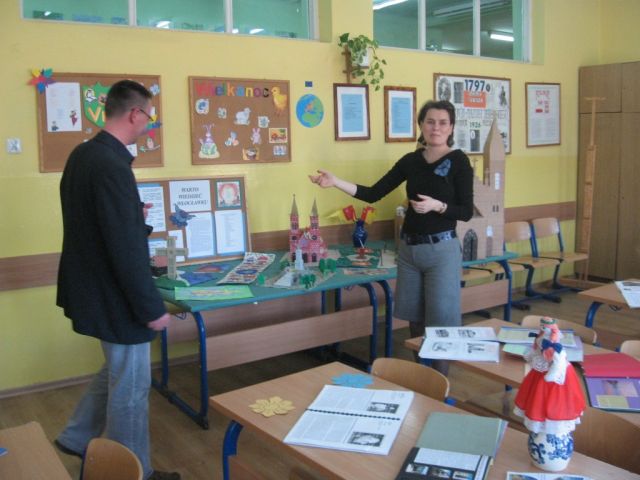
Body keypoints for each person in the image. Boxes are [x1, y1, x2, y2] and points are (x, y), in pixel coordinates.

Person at [55, 80, 180, 480]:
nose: (149, 123)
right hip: (116, 296)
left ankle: (77, 437)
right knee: (131, 389)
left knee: (118, 370)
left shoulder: (84, 154)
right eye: (149, 116)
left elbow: (98, 225)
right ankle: (135, 472)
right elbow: (124, 249)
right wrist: (151, 307)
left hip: (94, 289)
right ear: (135, 114)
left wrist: (130, 218)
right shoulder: (111, 165)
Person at [310, 100, 473, 375]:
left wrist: (438, 206)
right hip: (409, 252)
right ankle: (422, 376)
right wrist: (335, 181)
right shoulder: (411, 161)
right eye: (430, 121)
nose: (436, 127)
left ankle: (439, 383)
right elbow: (373, 193)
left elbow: (466, 211)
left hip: (442, 251)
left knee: (441, 322)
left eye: (443, 122)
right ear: (421, 125)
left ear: (451, 127)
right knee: (415, 318)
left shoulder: (459, 161)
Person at [514, 317, 585, 434]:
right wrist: (531, 355)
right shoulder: (541, 338)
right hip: (540, 372)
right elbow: (536, 351)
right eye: (542, 326)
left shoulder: (554, 345)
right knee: (537, 399)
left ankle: (552, 430)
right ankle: (541, 430)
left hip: (554, 377)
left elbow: (559, 362)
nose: (543, 328)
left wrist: (552, 374)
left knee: (555, 402)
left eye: (545, 327)